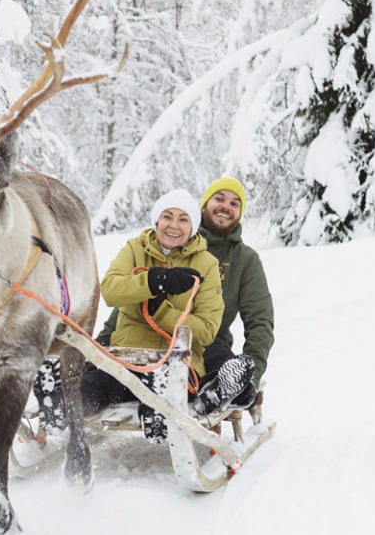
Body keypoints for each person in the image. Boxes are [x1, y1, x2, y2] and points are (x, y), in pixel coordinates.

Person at [34, 189, 223, 444]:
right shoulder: (136, 248)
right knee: (94, 387)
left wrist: (161, 312)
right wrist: (152, 282)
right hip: (126, 355)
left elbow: (207, 329)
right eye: (168, 216)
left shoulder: (207, 265)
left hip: (176, 360)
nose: (174, 226)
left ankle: (157, 408)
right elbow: (111, 290)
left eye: (183, 219)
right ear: (157, 220)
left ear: (193, 227)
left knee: (165, 390)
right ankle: (59, 405)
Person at [96, 177, 274, 415]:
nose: (225, 207)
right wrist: (107, 336)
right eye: (219, 199)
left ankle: (222, 391)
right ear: (203, 206)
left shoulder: (245, 260)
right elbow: (138, 292)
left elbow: (260, 321)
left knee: (217, 367)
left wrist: (253, 374)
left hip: (206, 343)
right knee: (102, 368)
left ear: (240, 213)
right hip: (147, 335)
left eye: (234, 203)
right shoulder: (171, 238)